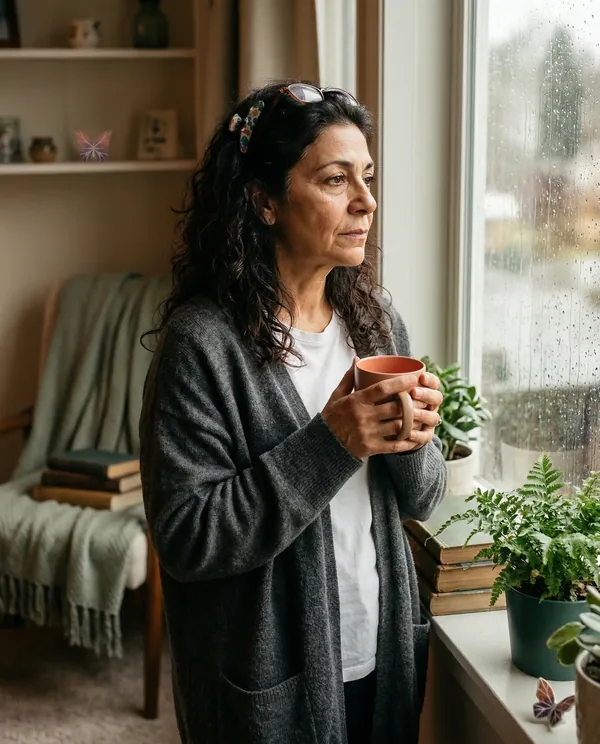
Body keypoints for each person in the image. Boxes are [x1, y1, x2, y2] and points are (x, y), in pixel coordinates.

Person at [139, 80, 447, 744]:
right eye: (336, 180)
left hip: (381, 647)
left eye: (367, 177)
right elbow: (187, 536)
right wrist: (333, 442)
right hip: (267, 680)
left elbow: (421, 498)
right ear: (264, 200)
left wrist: (418, 436)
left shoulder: (375, 323)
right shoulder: (204, 344)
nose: (366, 201)